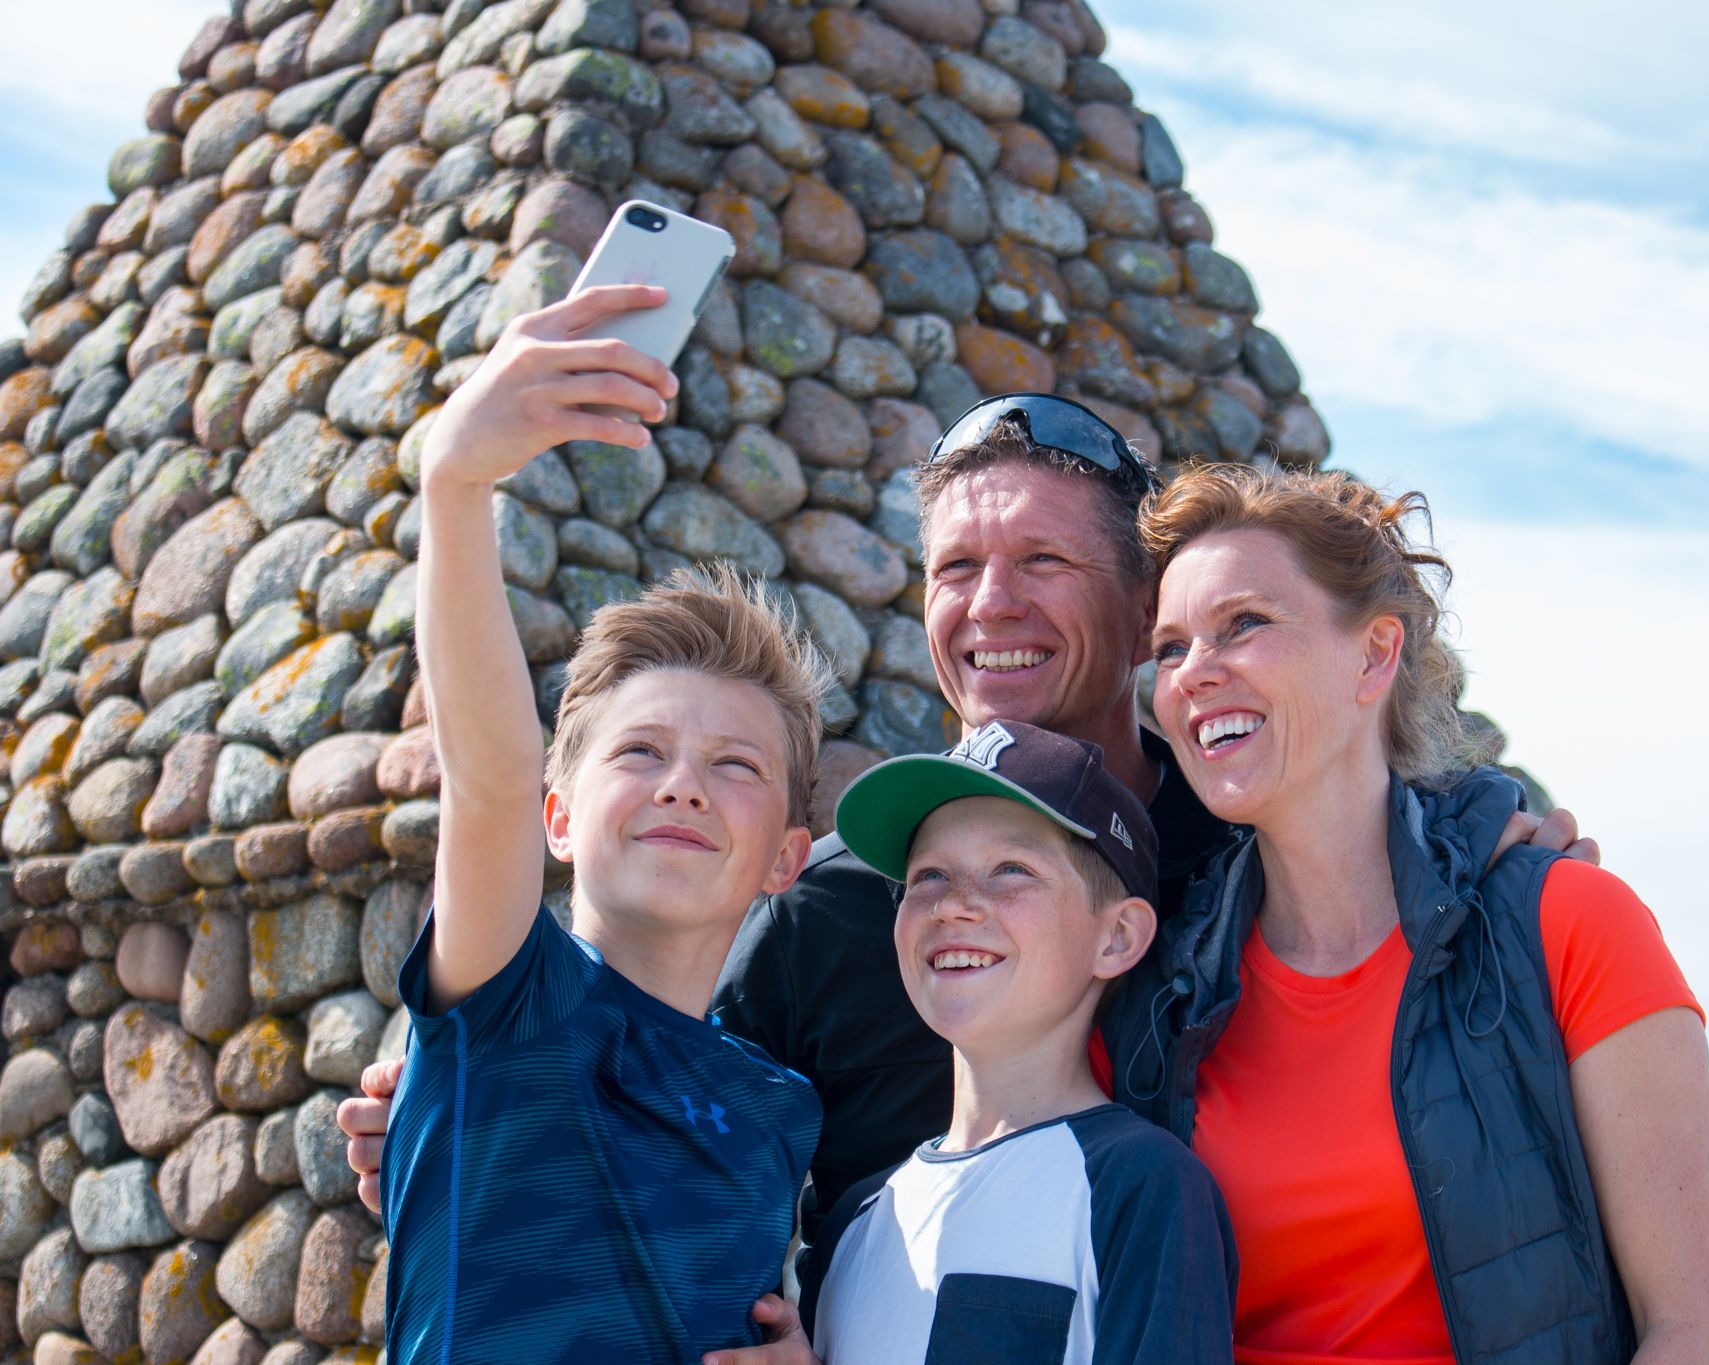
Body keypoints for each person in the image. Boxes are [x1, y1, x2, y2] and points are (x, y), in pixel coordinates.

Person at [341, 394, 1593, 1268]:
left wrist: (1482, 849)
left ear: (1141, 599)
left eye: (1043, 560)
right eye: (952, 570)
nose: (990, 605)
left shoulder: (1262, 853)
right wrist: (460, 1088)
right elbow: (649, 1102)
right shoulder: (834, 908)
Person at [1106, 462, 1709, 1364]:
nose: (1194, 674)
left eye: (1242, 624)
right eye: (1170, 648)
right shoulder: (1157, 1002)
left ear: (1375, 655)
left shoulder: (1572, 925)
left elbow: (1697, 1333)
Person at [378, 285, 827, 1363]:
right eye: (640, 752)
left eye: (734, 767)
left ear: (784, 860)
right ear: (558, 817)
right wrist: (455, 479)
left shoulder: (779, 1112)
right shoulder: (508, 1000)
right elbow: (484, 776)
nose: (682, 787)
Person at [786, 720, 1237, 1365]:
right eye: (928, 876)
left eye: (1010, 869)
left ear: (1117, 938)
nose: (954, 905)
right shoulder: (858, 1217)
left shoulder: (1140, 1187)